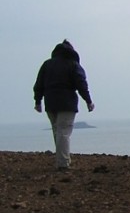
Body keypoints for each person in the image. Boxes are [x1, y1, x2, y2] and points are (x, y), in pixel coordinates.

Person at [33, 39, 95, 171]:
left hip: (50, 101)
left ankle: (62, 159)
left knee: (57, 131)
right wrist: (88, 101)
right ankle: (63, 163)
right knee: (64, 132)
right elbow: (81, 84)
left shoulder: (47, 64)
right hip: (67, 102)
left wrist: (38, 101)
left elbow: (39, 83)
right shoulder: (73, 65)